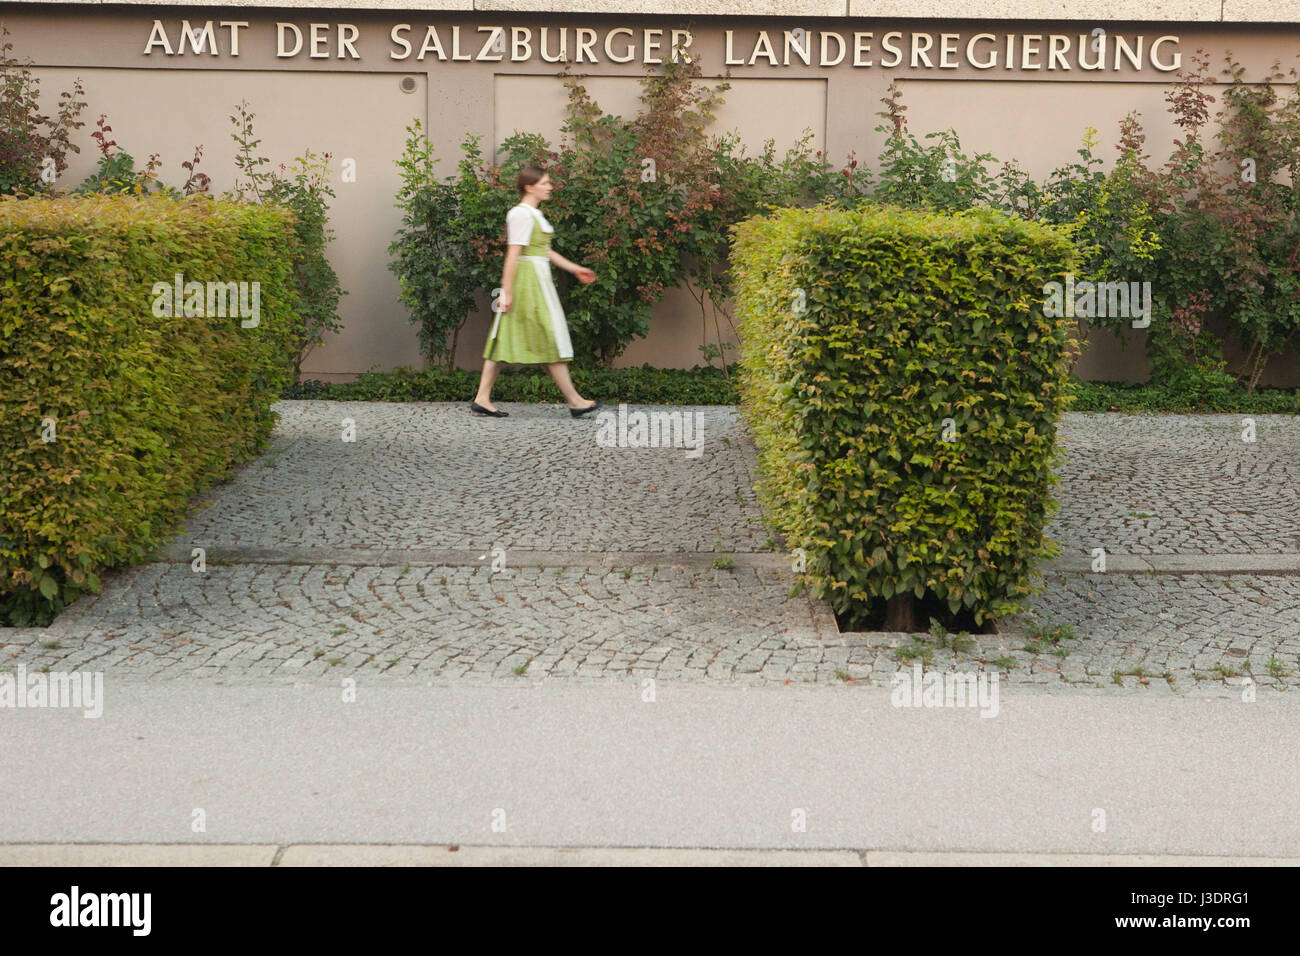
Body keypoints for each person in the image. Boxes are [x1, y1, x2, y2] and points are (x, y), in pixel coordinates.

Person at [470, 166, 603, 419]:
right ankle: (575, 401)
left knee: (505, 336)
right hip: (527, 283)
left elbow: (544, 252)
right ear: (529, 187)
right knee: (549, 334)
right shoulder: (520, 214)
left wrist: (575, 269)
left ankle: (482, 398)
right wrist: (506, 292)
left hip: (537, 280)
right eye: (545, 183)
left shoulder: (534, 214)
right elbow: (513, 254)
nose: (550, 186)